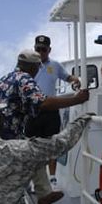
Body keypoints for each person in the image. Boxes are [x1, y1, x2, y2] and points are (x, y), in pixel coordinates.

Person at [0, 49, 89, 204]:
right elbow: (43, 103)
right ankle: (35, 194)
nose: (37, 71)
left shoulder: (5, 78)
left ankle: (44, 194)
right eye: (37, 68)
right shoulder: (24, 78)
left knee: (34, 154)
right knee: (39, 150)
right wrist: (76, 99)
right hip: (9, 135)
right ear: (33, 67)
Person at [26, 35, 80, 190]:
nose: (40, 52)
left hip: (51, 113)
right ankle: (32, 180)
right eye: (38, 49)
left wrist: (76, 80)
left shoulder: (55, 66)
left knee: (52, 146)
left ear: (49, 50)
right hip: (33, 112)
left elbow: (68, 77)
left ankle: (53, 179)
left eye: (43, 49)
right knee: (32, 147)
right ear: (34, 49)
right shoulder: (28, 67)